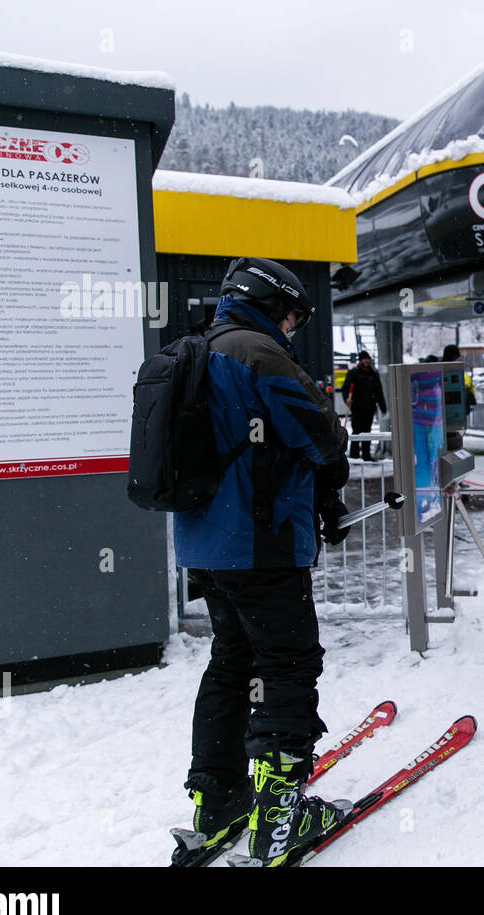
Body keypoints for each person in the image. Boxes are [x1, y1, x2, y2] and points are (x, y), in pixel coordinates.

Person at [175, 256, 352, 865]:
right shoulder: (258, 353)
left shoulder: (197, 351)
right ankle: (281, 815)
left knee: (231, 663)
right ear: (274, 305)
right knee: (288, 665)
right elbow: (321, 435)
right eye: (294, 316)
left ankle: (218, 799)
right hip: (262, 544)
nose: (293, 328)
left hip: (206, 546)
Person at [341, 350, 386, 461]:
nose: (366, 361)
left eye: (367, 359)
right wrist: (346, 398)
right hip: (357, 407)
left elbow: (378, 391)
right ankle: (354, 454)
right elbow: (346, 387)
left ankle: (366, 455)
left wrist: (382, 406)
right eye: (364, 359)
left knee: (367, 432)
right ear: (360, 360)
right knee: (357, 430)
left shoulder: (373, 374)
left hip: (369, 407)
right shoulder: (353, 373)